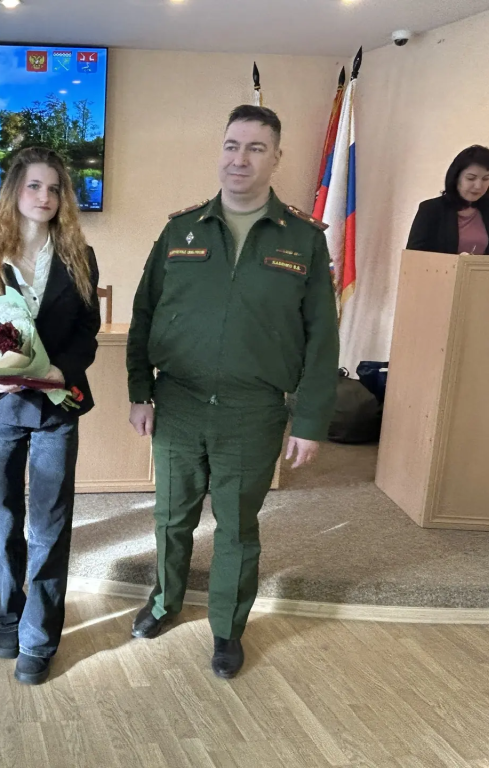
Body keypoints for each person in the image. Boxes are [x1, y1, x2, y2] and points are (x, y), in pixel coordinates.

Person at [125, 105, 339, 679]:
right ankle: (164, 602)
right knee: (171, 517)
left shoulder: (303, 239)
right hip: (179, 402)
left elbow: (322, 338)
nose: (239, 159)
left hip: (253, 411)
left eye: (255, 148)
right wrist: (140, 390)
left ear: (276, 158)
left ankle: (227, 628)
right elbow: (144, 313)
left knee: (238, 528)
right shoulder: (181, 230)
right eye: (231, 145)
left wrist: (310, 422)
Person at [0, 147, 101, 686]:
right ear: (14, 190)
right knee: (1, 521)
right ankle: (7, 617)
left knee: (49, 525)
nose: (45, 197)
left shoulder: (80, 258)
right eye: (34, 186)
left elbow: (87, 332)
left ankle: (39, 639)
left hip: (58, 406)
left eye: (54, 188)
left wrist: (61, 369)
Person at [406, 145, 489, 255]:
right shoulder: (431, 209)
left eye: (486, 179)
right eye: (471, 178)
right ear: (456, 177)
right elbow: (413, 256)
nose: (478, 186)